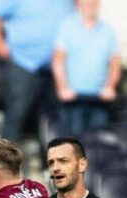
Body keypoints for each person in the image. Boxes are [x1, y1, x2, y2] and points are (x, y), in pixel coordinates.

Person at [0, 0, 73, 143]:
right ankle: (6, 162)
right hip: (23, 63)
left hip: (56, 67)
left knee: (52, 120)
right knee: (16, 115)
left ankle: (50, 161)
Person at [52, 0, 121, 135]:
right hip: (72, 99)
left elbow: (114, 64)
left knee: (98, 144)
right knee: (72, 144)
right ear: (78, 4)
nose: (89, 5)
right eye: (86, 2)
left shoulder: (107, 31)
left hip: (99, 100)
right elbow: (58, 60)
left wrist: (110, 87)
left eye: (93, 2)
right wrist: (62, 87)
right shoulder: (67, 27)